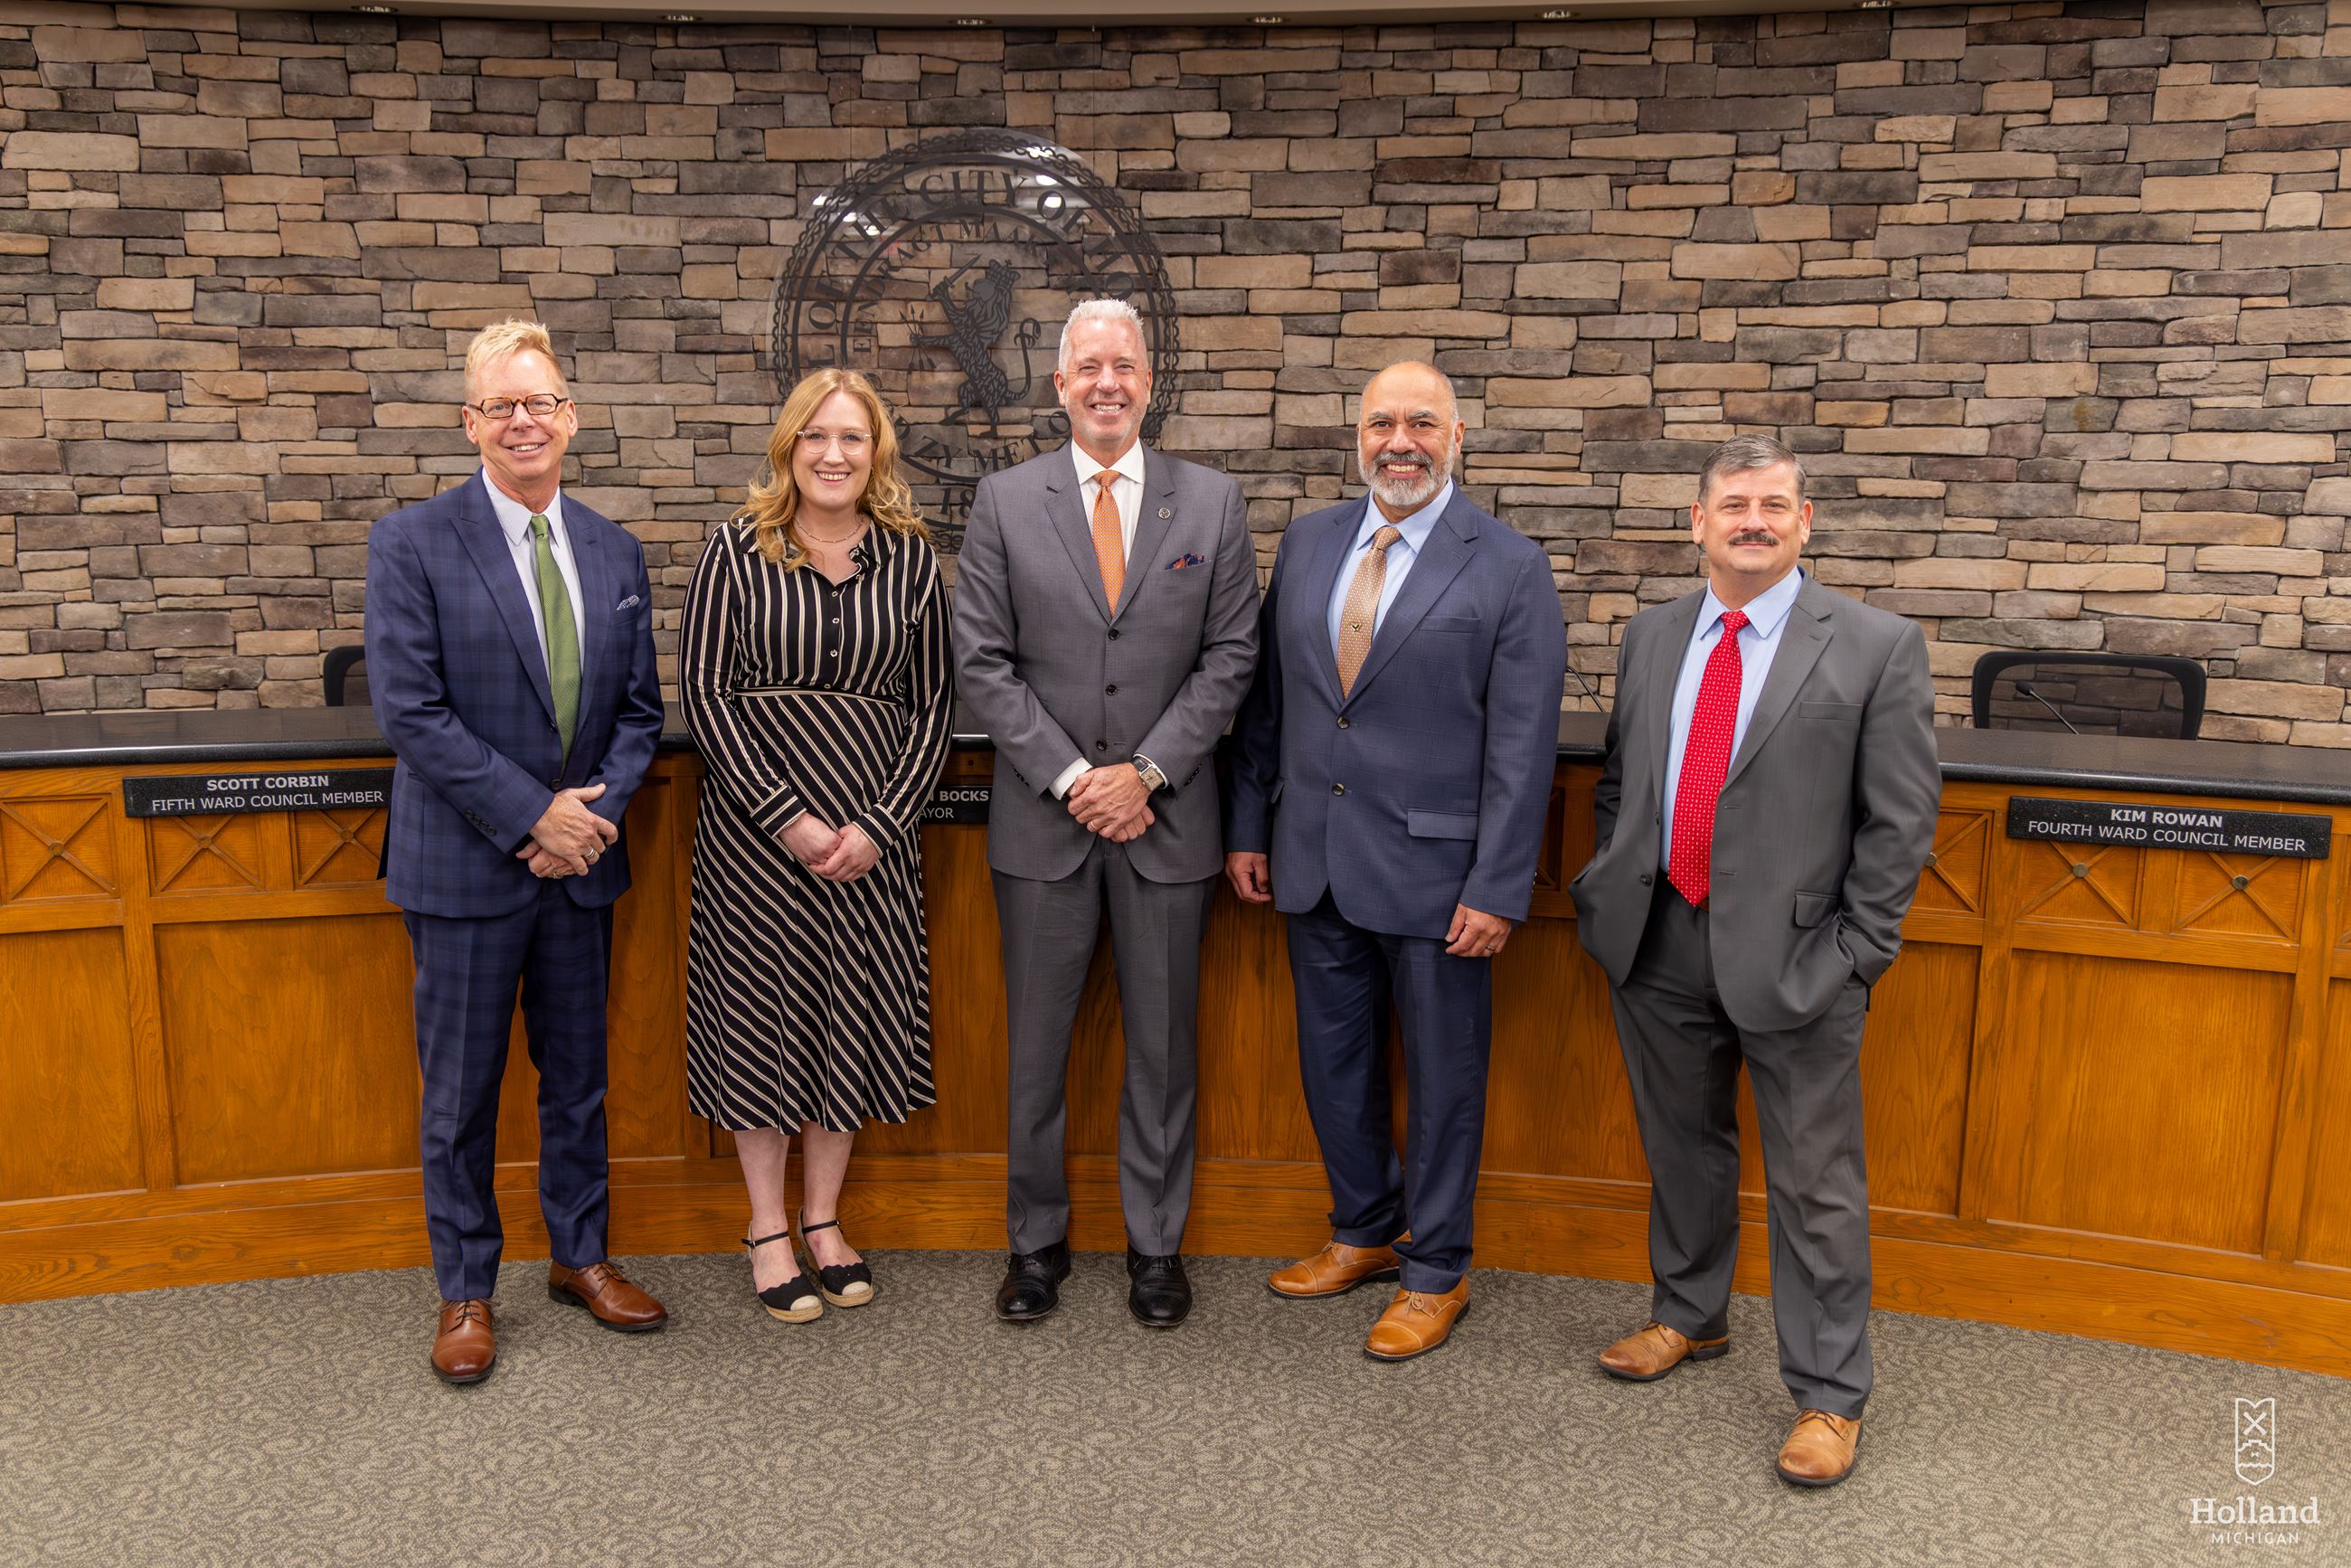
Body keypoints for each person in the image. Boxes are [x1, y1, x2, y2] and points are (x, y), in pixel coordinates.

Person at [1570, 434, 1940, 1487]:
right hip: (1658, 938)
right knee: (1681, 1147)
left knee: (1814, 1181)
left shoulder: (1873, 645)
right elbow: (1619, 781)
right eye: (1732, 504)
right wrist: (1609, 882)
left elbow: (1899, 823)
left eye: (1773, 505)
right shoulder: (1649, 637)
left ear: (1803, 523)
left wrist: (1856, 952)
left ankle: (1828, 1394)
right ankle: (1687, 1315)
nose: (1751, 520)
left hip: (1799, 961)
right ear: (1696, 521)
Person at [1225, 361, 1566, 1362]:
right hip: (1312, 859)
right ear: (1356, 435)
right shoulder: (1310, 540)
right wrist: (1248, 828)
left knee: (1445, 1080)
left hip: (1440, 878)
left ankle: (1436, 1269)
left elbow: (1521, 745)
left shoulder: (1507, 565)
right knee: (1333, 1066)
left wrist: (1499, 883)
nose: (1399, 441)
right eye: (1381, 423)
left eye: (1421, 422)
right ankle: (1363, 1232)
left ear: (1457, 439)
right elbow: (1271, 705)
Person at [365, 318, 669, 1385]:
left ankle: (578, 1258)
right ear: (470, 424)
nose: (523, 420)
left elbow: (640, 713)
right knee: (460, 1096)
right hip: (465, 868)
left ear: (571, 417)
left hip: (580, 873)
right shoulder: (411, 542)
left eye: (540, 401)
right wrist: (534, 814)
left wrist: (587, 819)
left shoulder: (612, 549)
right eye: (501, 405)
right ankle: (465, 1289)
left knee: (577, 1080)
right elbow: (412, 711)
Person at [950, 298, 1260, 1328]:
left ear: (1149, 379)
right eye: (1087, 367)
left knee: (1164, 1051)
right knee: (1034, 1050)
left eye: (1122, 365)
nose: (1106, 383)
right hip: (1045, 825)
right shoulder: (1003, 501)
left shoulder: (1210, 505)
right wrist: (1076, 776)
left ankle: (1155, 1247)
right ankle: (1034, 1244)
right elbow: (982, 664)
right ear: (1058, 386)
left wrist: (1149, 772)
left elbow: (1231, 659)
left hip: (1167, 823)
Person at [679, 368, 953, 1324]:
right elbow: (706, 697)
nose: (833, 455)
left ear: (875, 452)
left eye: (852, 437)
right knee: (762, 1026)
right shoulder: (733, 550)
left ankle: (825, 1221)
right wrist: (788, 818)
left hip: (869, 839)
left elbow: (934, 710)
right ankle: (765, 1229)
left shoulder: (912, 562)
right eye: (815, 437)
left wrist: (879, 825)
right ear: (787, 448)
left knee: (844, 1020)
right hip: (759, 841)